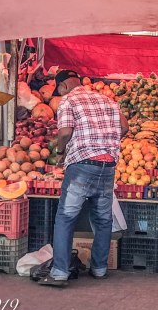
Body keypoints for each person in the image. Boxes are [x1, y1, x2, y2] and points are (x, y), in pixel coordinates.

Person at [39, 70, 128, 287]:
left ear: (62, 87)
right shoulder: (106, 99)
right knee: (103, 219)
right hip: (108, 166)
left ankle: (60, 272)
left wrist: (61, 152)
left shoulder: (68, 100)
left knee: (66, 217)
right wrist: (107, 143)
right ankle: (99, 268)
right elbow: (125, 127)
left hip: (82, 166)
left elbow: (65, 133)